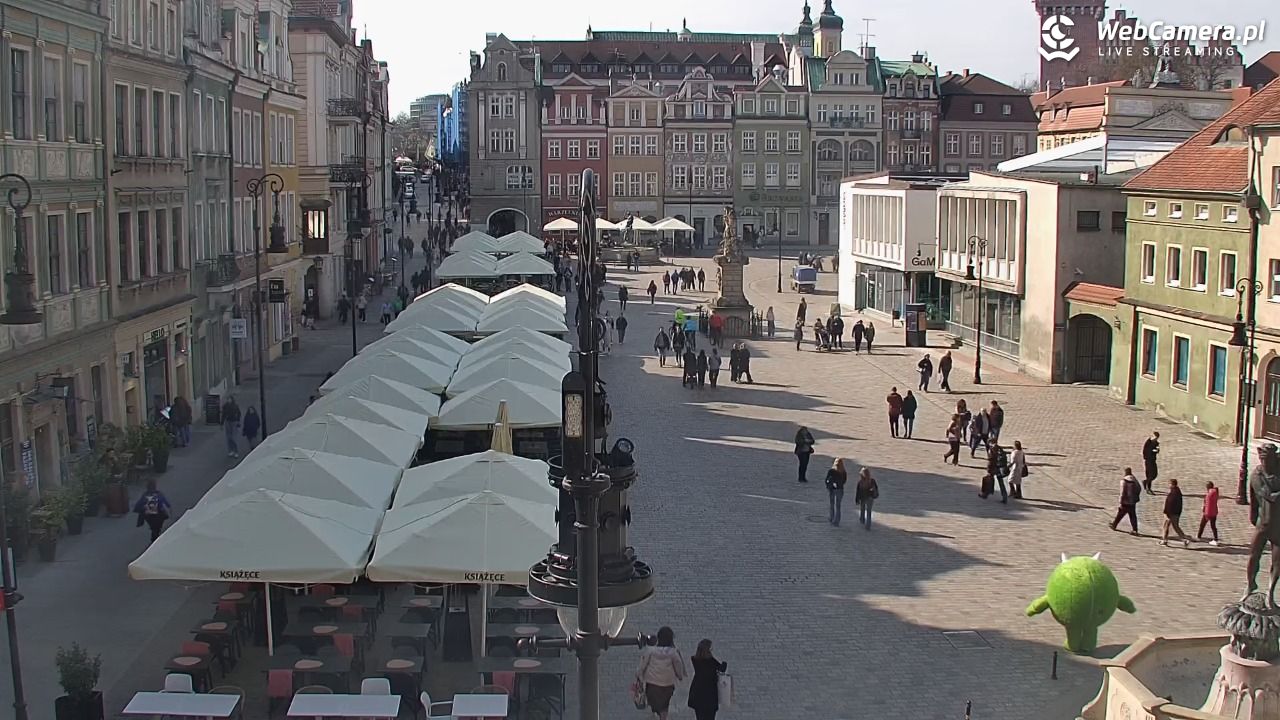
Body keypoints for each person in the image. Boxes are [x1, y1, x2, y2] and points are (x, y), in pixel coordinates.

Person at [637, 626, 685, 720]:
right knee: (664, 706)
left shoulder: (650, 651)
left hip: (652, 684)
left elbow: (643, 665)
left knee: (653, 705)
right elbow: (678, 666)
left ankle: (655, 715)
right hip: (667, 684)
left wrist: (639, 675)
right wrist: (680, 676)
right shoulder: (673, 652)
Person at [687, 639, 727, 720]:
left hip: (697, 692)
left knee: (699, 716)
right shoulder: (711, 662)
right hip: (710, 694)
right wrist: (725, 662)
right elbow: (722, 669)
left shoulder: (695, 659)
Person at [1110, 468, 1143, 535]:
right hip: (1132, 501)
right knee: (1132, 515)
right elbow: (1139, 488)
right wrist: (1135, 497)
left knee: (1120, 513)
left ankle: (1114, 525)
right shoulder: (1134, 479)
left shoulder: (1124, 481)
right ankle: (1135, 529)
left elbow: (1122, 492)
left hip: (1125, 501)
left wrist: (1121, 500)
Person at [1161, 479, 1193, 547]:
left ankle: (1164, 540)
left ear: (1172, 484)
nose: (1168, 485)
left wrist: (1167, 513)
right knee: (1176, 527)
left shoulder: (1173, 493)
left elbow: (1169, 504)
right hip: (1176, 513)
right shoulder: (1177, 491)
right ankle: (1185, 539)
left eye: (1169, 484)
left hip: (1171, 513)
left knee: (1166, 526)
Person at [825, 458, 848, 526]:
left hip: (832, 489)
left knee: (832, 504)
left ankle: (831, 517)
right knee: (838, 506)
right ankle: (836, 521)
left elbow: (826, 479)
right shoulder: (843, 472)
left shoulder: (831, 471)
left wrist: (829, 485)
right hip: (840, 489)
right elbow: (844, 481)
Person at [1198, 481, 1221, 546]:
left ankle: (1198, 537)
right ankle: (1216, 539)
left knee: (1202, 525)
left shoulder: (1209, 494)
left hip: (1208, 513)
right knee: (1213, 526)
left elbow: (1208, 504)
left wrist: (1205, 512)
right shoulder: (1215, 493)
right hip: (1214, 512)